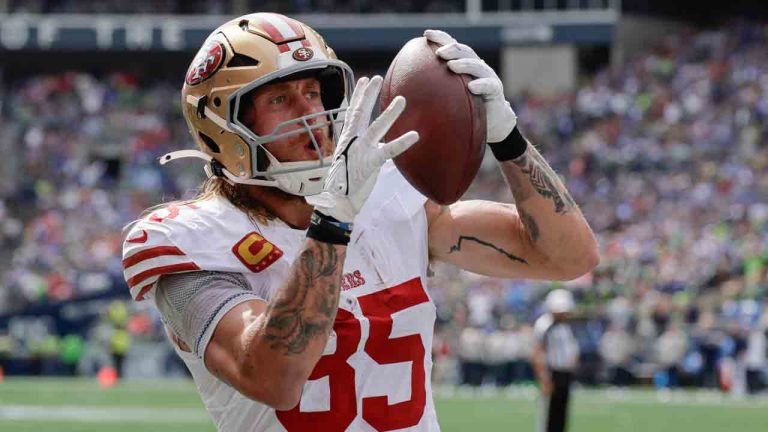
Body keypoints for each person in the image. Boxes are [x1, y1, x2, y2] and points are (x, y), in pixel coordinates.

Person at [121, 12, 598, 431]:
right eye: (280, 100)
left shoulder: (389, 196)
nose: (312, 114)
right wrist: (333, 219)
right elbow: (272, 377)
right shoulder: (188, 239)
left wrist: (508, 139)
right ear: (223, 127)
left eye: (313, 92)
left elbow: (568, 257)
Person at [532, 289, 580, 432]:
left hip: (565, 373)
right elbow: (538, 352)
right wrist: (543, 377)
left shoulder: (566, 324)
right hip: (552, 373)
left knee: (562, 412)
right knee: (548, 413)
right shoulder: (544, 324)